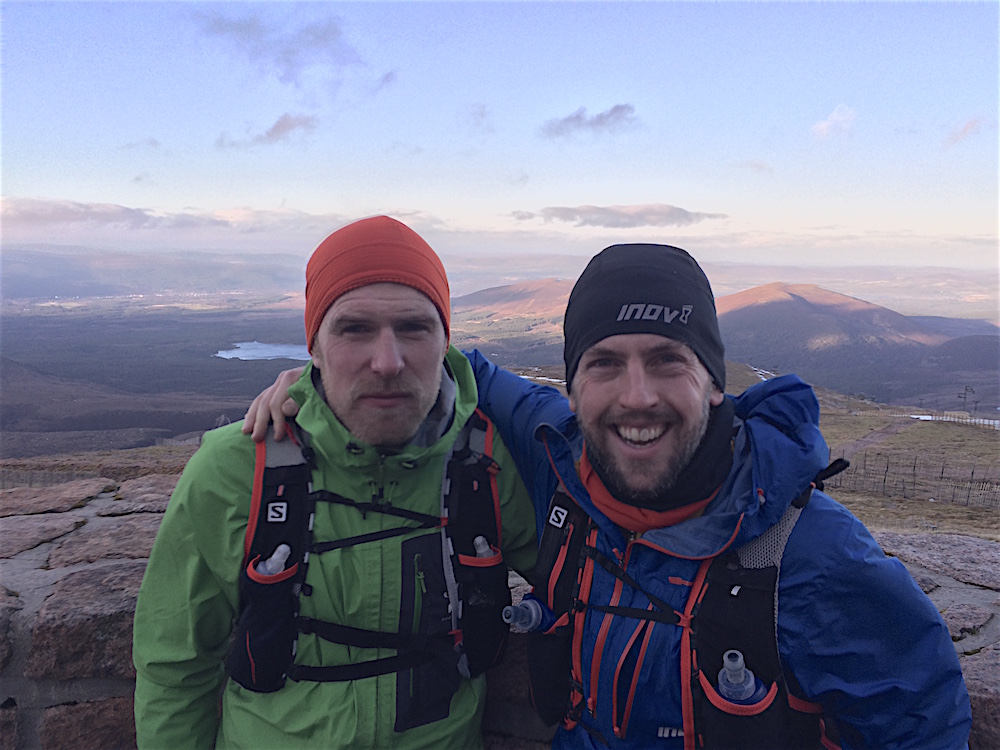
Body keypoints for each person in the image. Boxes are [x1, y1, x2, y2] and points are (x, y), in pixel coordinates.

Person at [247, 243, 972, 749]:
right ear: (572, 384)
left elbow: (921, 727)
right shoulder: (560, 455)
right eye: (603, 364)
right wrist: (318, 380)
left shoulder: (809, 555)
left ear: (717, 381)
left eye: (667, 362)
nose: (635, 397)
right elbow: (447, 364)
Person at [133, 215, 538, 749]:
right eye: (354, 329)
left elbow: (583, 583)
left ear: (446, 343)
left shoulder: (489, 461)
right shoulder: (237, 468)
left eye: (415, 328)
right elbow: (174, 667)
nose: (388, 361)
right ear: (314, 348)